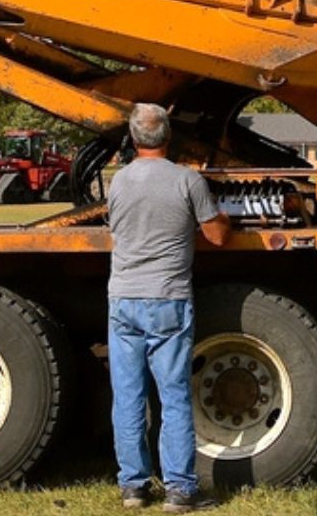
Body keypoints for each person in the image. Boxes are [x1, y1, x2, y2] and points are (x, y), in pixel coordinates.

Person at [107, 103, 231, 512]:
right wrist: (222, 217)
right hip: (168, 299)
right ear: (169, 135)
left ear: (133, 138)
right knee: (173, 396)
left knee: (128, 397)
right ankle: (180, 489)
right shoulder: (187, 180)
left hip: (123, 298)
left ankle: (134, 487)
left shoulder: (119, 181)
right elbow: (217, 236)